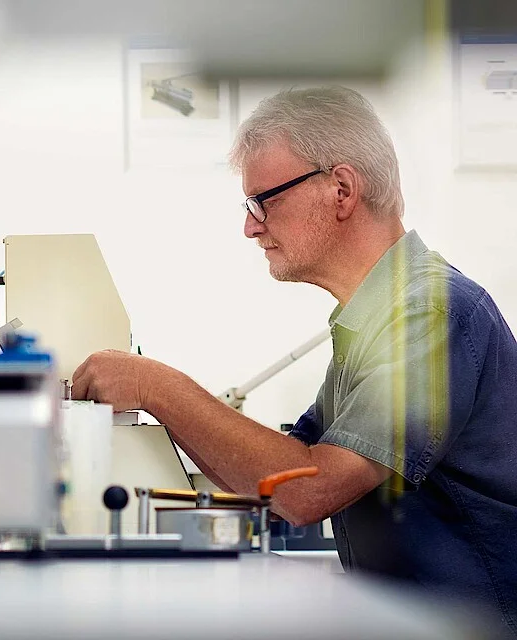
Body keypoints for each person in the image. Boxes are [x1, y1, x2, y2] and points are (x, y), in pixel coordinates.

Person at [72, 86, 517, 634]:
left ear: (342, 188)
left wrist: (156, 386)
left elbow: (308, 491)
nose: (250, 226)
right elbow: (278, 478)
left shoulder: (432, 313)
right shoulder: (371, 320)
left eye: (265, 199)